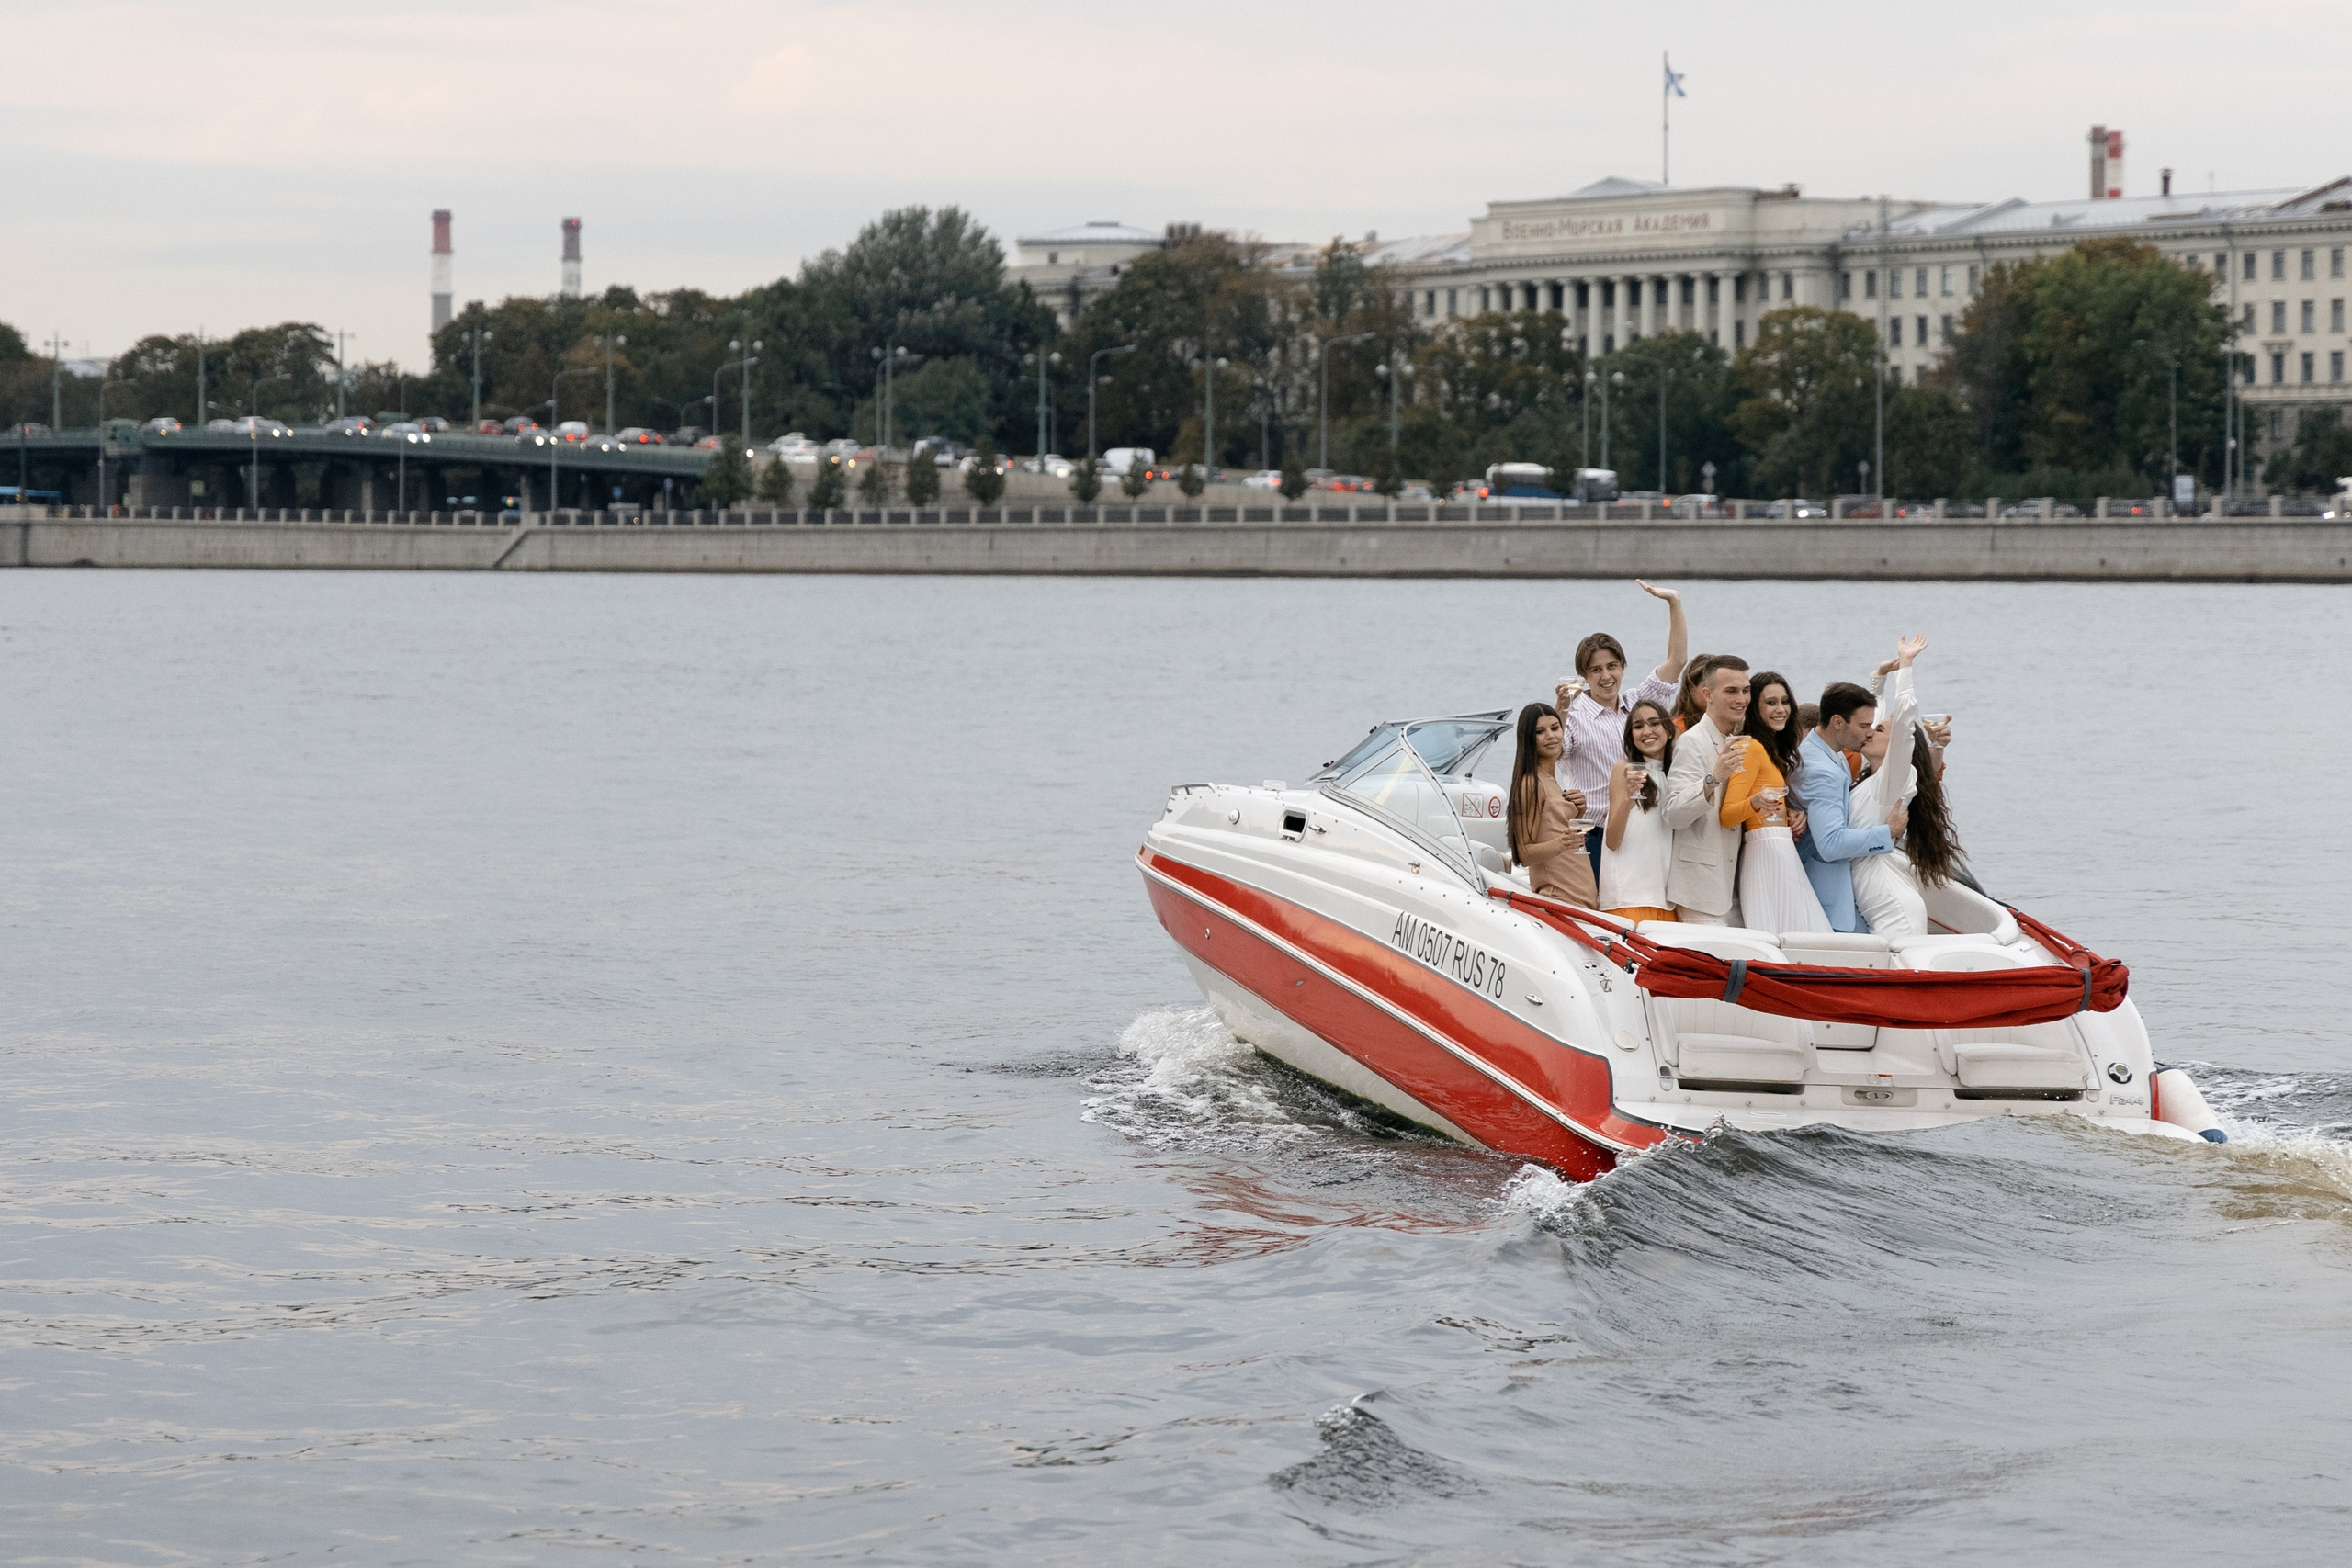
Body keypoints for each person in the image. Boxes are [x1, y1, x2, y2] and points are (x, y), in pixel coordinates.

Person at [1553, 581, 1690, 885]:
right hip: (1594, 833)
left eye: (1612, 666)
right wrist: (1561, 708)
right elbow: (1553, 750)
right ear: (1584, 676)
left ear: (1623, 667)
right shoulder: (1575, 717)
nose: (1606, 676)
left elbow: (1677, 661)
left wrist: (1674, 602)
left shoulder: (1637, 704)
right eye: (1596, 670)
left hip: (1642, 828)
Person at [1792, 679, 1908, 933]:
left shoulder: (1822, 751)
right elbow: (1831, 844)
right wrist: (1886, 834)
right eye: (1864, 725)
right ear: (1837, 722)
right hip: (1825, 892)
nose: (1869, 732)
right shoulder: (1824, 773)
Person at [1720, 671, 1830, 932]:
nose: (1780, 709)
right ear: (1754, 708)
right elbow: (1727, 816)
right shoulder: (1751, 748)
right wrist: (1757, 802)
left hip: (1778, 846)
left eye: (1784, 701)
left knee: (1801, 931)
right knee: (1799, 933)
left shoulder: (1768, 749)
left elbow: (1764, 797)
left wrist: (1789, 811)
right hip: (1767, 852)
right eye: (1771, 703)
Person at [1661, 656, 1749, 924]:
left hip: (1737, 888)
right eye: (1731, 691)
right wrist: (1713, 779)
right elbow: (1673, 813)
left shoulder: (1742, 739)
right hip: (1700, 889)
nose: (1741, 699)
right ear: (1707, 694)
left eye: (1746, 690)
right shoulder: (1691, 742)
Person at [1849, 637, 1928, 935]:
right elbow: (1878, 718)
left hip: (1894, 908)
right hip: (1874, 894)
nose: (1868, 732)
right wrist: (1878, 678)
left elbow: (1903, 722)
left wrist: (1906, 665)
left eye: (1877, 729)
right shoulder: (1869, 776)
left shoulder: (1892, 782)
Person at [1507, 702, 1597, 905]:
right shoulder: (1531, 783)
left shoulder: (1553, 781)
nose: (1551, 735)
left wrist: (1579, 812)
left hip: (1580, 893)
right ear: (1528, 738)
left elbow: (1554, 830)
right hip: (1559, 898)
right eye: (1540, 731)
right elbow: (1523, 854)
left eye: (1555, 728)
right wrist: (1561, 843)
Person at [1599, 699, 1679, 924]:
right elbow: (1612, 841)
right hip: (1628, 897)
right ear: (1630, 735)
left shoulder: (1675, 773)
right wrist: (1628, 799)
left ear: (1669, 731)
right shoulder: (1624, 770)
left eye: (1654, 723)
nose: (1647, 731)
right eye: (1638, 726)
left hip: (1666, 898)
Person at [1668, 654, 1714, 734]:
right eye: (1708, 688)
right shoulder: (1677, 729)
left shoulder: (1733, 721)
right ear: (1690, 688)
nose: (1716, 694)